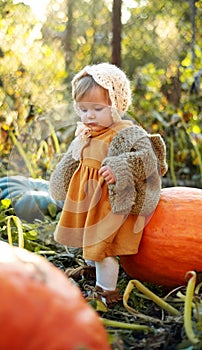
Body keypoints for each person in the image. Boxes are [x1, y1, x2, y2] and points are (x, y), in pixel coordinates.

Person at [49, 63, 168, 307]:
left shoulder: (126, 133)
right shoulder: (84, 134)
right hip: (86, 201)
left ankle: (106, 292)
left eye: (97, 108)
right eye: (83, 109)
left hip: (110, 205)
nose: (89, 116)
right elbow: (72, 160)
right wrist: (60, 180)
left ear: (116, 104)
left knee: (103, 248)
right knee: (88, 240)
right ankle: (92, 271)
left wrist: (120, 168)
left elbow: (148, 159)